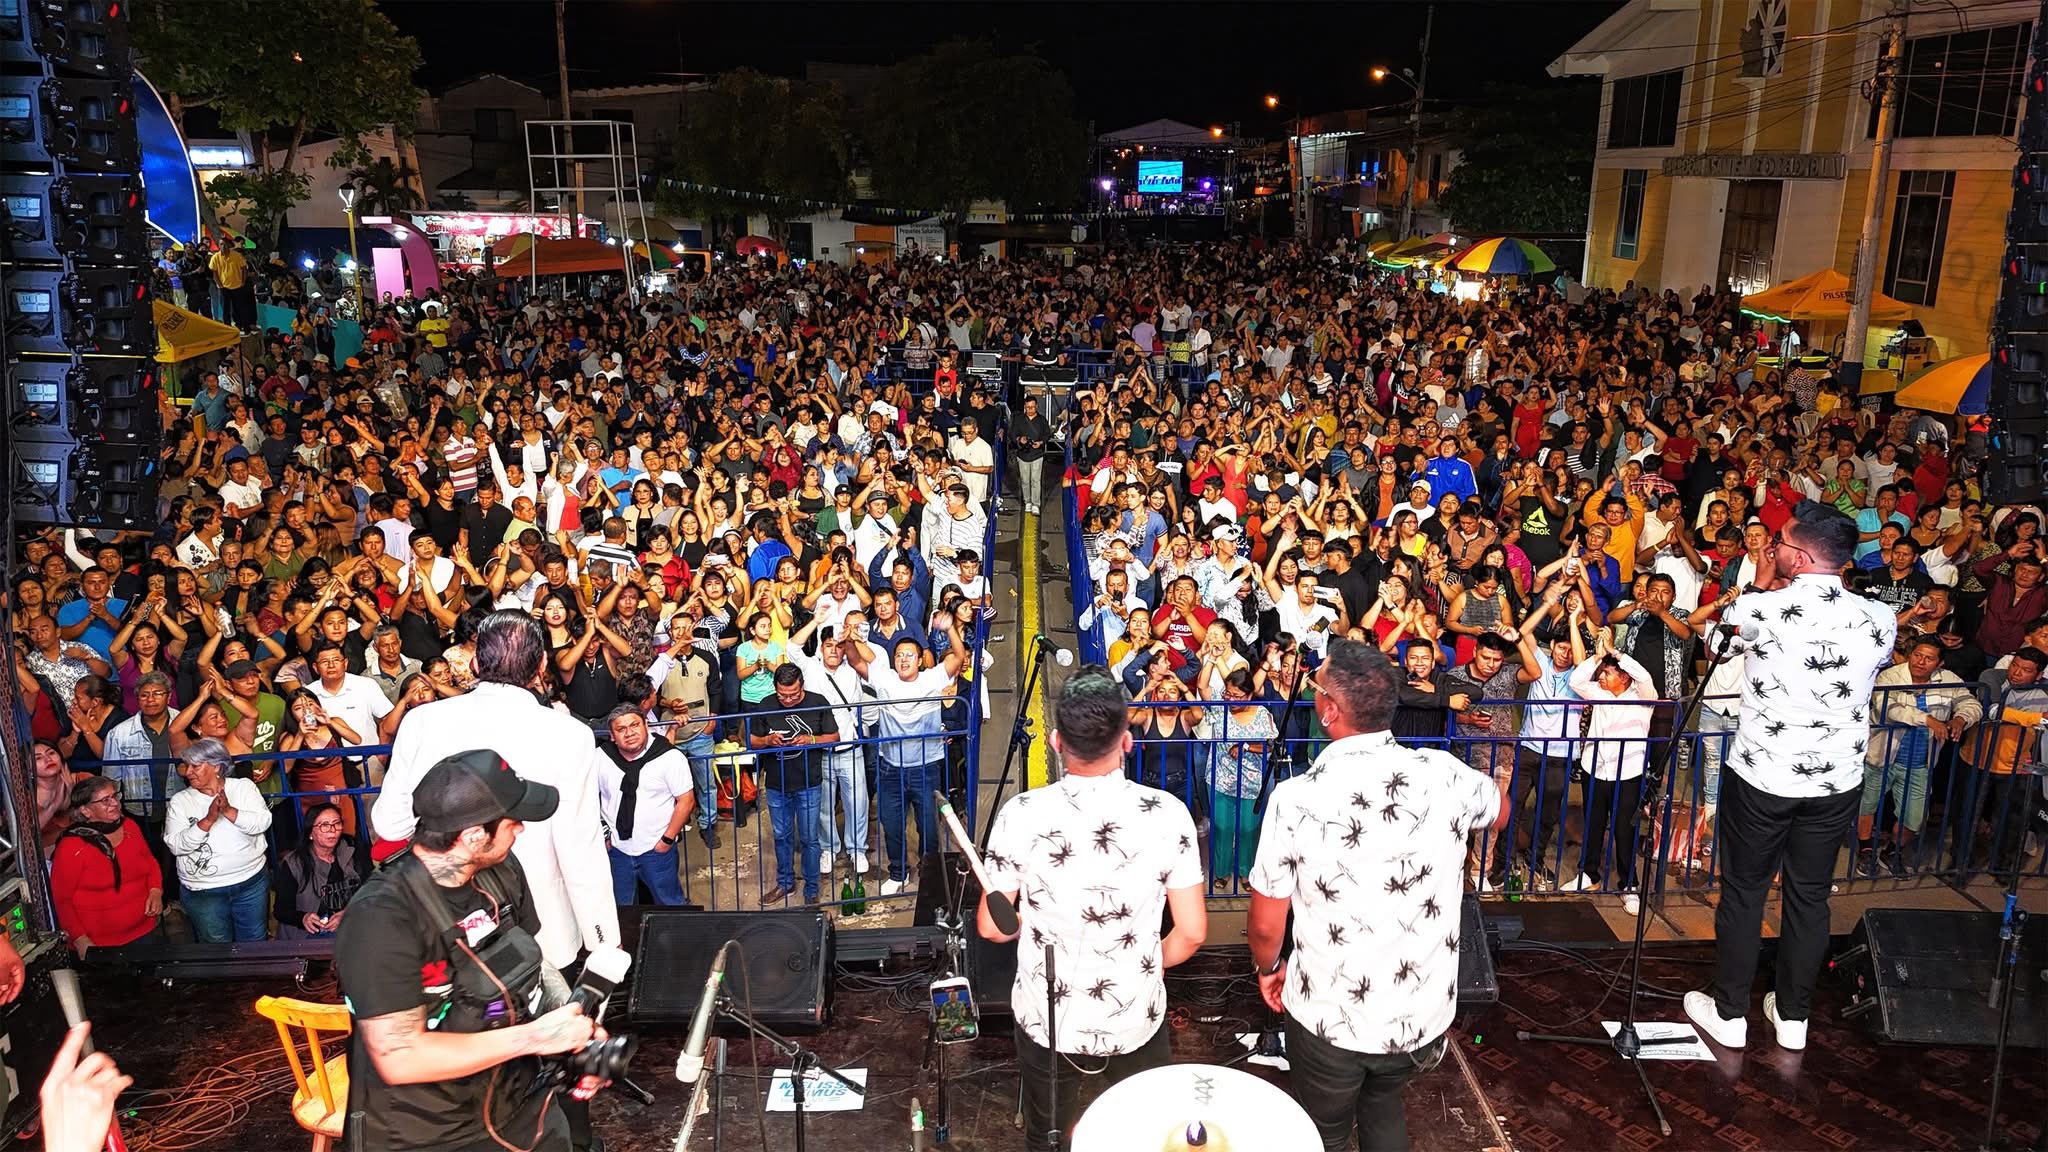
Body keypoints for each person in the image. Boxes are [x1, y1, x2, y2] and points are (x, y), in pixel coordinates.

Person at [1248, 639, 1506, 1152]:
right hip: (1419, 1013)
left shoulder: (1296, 798)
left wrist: (1269, 967)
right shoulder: (1444, 774)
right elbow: (1499, 811)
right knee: (1384, 1104)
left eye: (1317, 685)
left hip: (1329, 1017)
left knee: (1323, 1134)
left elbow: (1265, 923)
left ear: (1329, 710)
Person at [1685, 501, 1896, 1052]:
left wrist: (1757, 586)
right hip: (1836, 781)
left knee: (1744, 892)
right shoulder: (1880, 617)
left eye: (1778, 540)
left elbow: (1714, 645)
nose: (1771, 546)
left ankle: (1730, 1013)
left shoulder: (1763, 608)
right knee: (1810, 896)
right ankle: (1793, 1016)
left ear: (1798, 557)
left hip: (1763, 776)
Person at [977, 666, 1206, 1147]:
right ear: (1127, 741)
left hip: (1048, 1016)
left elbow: (993, 928)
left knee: (1048, 1135)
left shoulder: (1022, 814)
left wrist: (1022, 922)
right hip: (1134, 1011)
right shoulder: (1168, 814)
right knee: (1143, 1136)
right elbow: (1191, 933)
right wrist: (1140, 963)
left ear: (1056, 742)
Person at [336, 749, 601, 1152]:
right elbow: (400, 1055)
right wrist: (535, 1037)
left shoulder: (500, 869)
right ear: (474, 835)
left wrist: (573, 1026)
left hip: (519, 1101)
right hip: (431, 1133)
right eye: (513, 822)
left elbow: (535, 961)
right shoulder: (382, 918)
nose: (521, 830)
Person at [376, 611, 620, 969]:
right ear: (541, 666)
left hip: (443, 922)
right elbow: (579, 846)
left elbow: (390, 824)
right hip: (543, 924)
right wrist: (603, 941)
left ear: (475, 663)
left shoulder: (422, 721)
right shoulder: (570, 734)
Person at [164, 738, 272, 942]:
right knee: (216, 946)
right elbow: (176, 845)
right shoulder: (180, 801)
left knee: (254, 941)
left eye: (195, 766)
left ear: (216, 766)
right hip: (204, 892)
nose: (188, 772)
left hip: (250, 884)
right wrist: (208, 820)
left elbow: (262, 822)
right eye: (187, 766)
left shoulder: (243, 787)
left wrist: (229, 811)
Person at [747, 664, 839, 905]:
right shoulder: (765, 704)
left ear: (802, 686)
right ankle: (785, 883)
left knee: (809, 839)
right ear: (775, 688)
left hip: (808, 782)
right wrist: (768, 740)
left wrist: (811, 739)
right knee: (781, 836)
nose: (788, 700)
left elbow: (834, 737)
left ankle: (811, 889)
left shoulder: (818, 702)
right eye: (782, 695)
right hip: (776, 784)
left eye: (794, 695)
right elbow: (752, 740)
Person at [50, 777, 163, 958]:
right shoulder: (72, 847)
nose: (115, 803)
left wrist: (155, 890)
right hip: (98, 943)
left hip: (144, 931)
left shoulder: (130, 827)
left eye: (115, 796)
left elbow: (150, 863)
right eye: (105, 800)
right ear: (86, 810)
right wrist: (80, 939)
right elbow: (61, 900)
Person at [597, 705, 696, 907]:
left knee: (670, 904)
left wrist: (666, 840)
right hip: (617, 850)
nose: (629, 733)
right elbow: (588, 797)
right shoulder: (600, 757)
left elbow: (686, 801)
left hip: (656, 849)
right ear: (612, 736)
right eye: (621, 729)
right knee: (621, 907)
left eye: (635, 725)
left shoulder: (669, 757)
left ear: (646, 725)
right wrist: (605, 835)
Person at [272, 801, 369, 938]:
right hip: (308, 933)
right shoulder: (294, 863)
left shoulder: (354, 851)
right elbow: (281, 910)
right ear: (310, 833)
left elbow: (371, 891)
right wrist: (303, 918)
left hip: (350, 926)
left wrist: (347, 912)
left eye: (336, 823)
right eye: (324, 825)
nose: (332, 830)